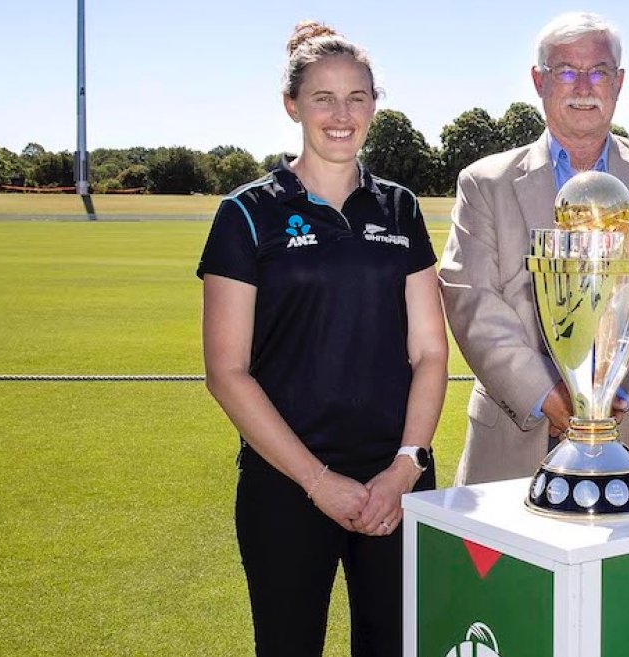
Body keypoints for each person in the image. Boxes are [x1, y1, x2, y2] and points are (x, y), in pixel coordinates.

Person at [196, 21, 447, 657]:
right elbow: (227, 371)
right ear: (293, 105)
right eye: (323, 98)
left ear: (374, 106)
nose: (342, 114)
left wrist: (404, 466)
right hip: (287, 483)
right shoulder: (248, 212)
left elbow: (429, 351)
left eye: (358, 97)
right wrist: (316, 480)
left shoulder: (400, 207)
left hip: (396, 481)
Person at [439, 12, 629, 486]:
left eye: (599, 71)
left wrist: (616, 395)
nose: (583, 85)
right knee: (514, 565)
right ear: (538, 81)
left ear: (619, 82)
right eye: (565, 70)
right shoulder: (484, 183)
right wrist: (550, 397)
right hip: (516, 439)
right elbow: (473, 302)